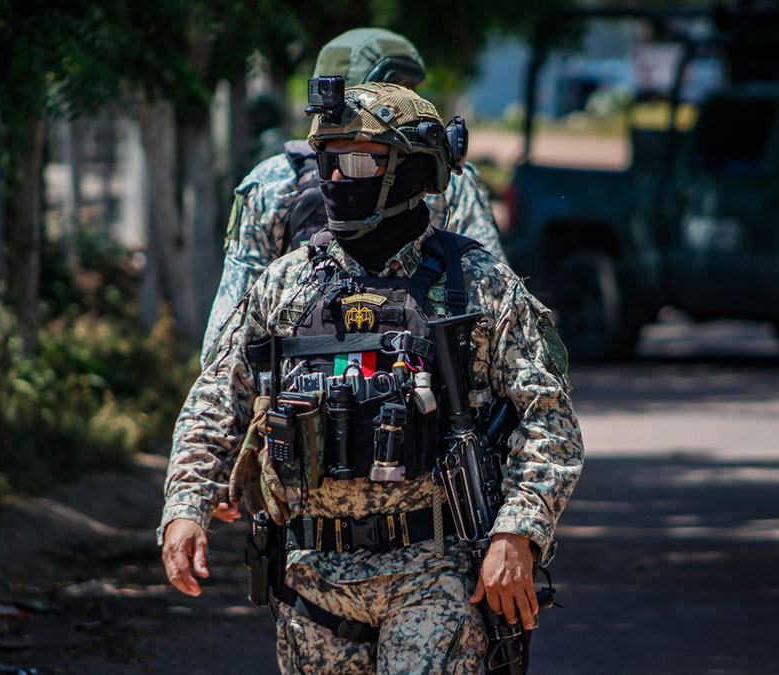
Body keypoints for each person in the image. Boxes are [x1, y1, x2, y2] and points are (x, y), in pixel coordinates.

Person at [160, 82, 583, 674]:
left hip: (434, 575)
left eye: (359, 162)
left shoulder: (477, 284)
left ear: (414, 170)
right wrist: (186, 505)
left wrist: (517, 534)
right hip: (310, 584)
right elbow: (217, 399)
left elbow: (550, 423)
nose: (336, 178)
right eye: (328, 160)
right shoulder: (285, 285)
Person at [202, 27, 510, 364]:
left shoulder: (270, 182)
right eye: (398, 88)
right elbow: (486, 298)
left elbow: (223, 336)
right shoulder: (447, 176)